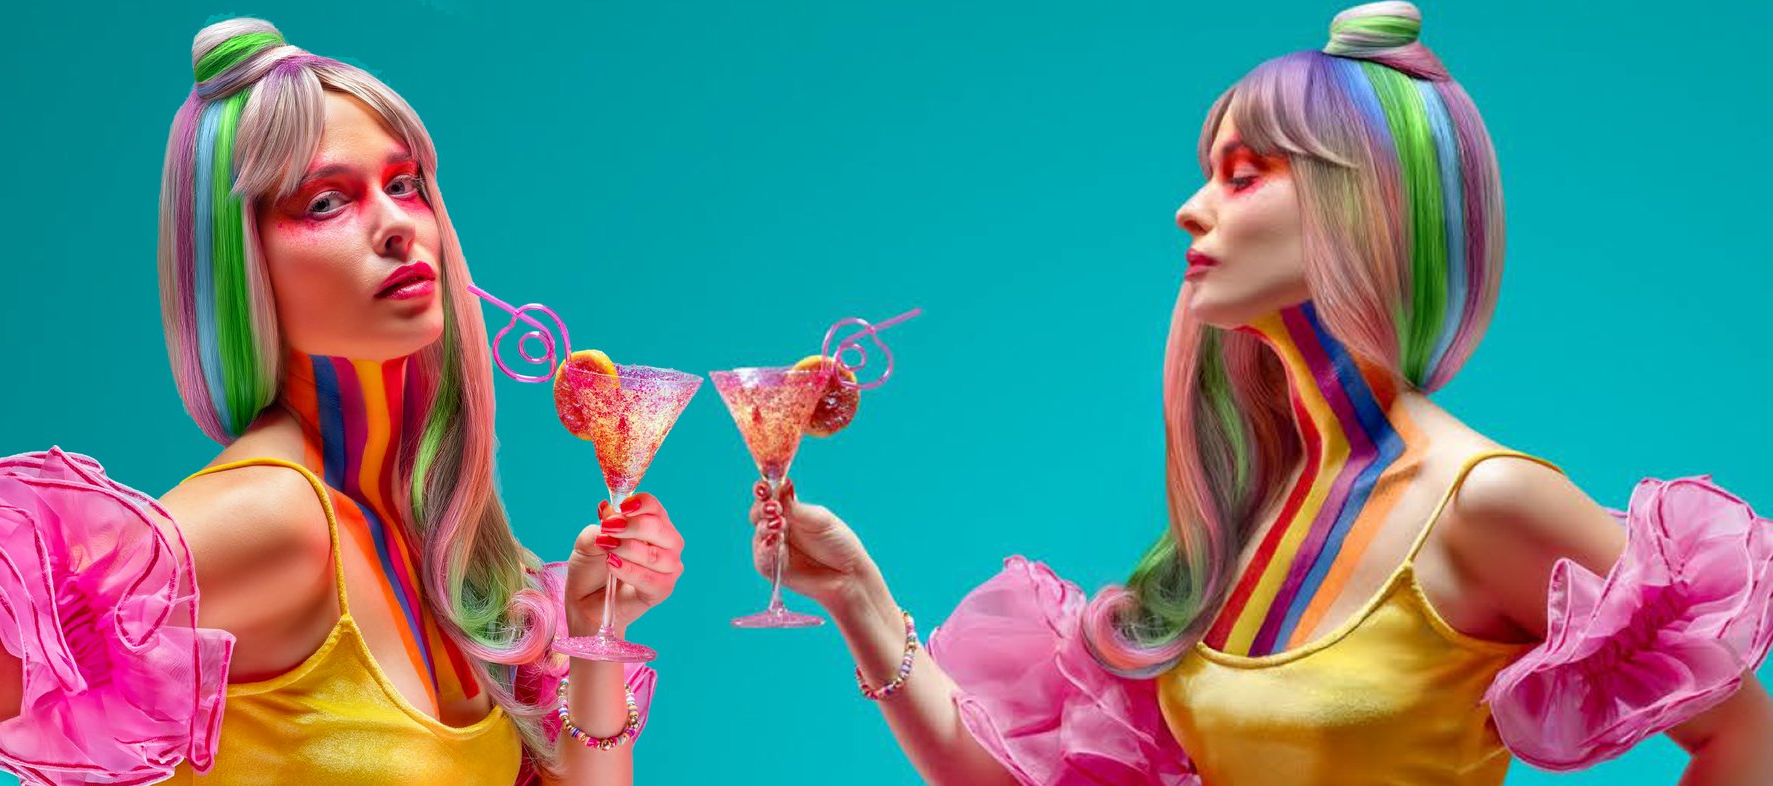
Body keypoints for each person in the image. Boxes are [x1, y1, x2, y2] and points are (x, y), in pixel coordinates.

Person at [747, 3, 1773, 783]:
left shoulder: (1485, 503)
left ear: (1359, 205)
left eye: (1243, 175)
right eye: (1208, 172)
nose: (1190, 210)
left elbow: (1741, 733)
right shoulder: (1258, 514)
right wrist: (855, 595)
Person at [0, 19, 683, 786]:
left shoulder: (434, 543)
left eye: (406, 184)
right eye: (326, 201)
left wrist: (591, 631)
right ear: (240, 265)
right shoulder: (273, 519)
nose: (396, 225)